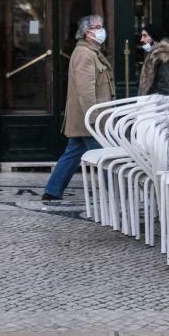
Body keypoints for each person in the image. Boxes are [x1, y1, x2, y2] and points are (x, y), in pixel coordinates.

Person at [42, 14, 115, 201]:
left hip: (85, 118)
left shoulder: (91, 52)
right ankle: (116, 193)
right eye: (97, 27)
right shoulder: (84, 54)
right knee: (105, 154)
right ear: (86, 32)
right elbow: (86, 90)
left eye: (101, 26)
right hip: (89, 118)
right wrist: (94, 119)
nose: (101, 30)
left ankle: (52, 190)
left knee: (73, 153)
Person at [137, 24, 169, 97]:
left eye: (145, 36)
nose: (141, 39)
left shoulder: (163, 57)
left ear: (154, 37)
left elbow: (164, 89)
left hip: (161, 106)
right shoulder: (154, 55)